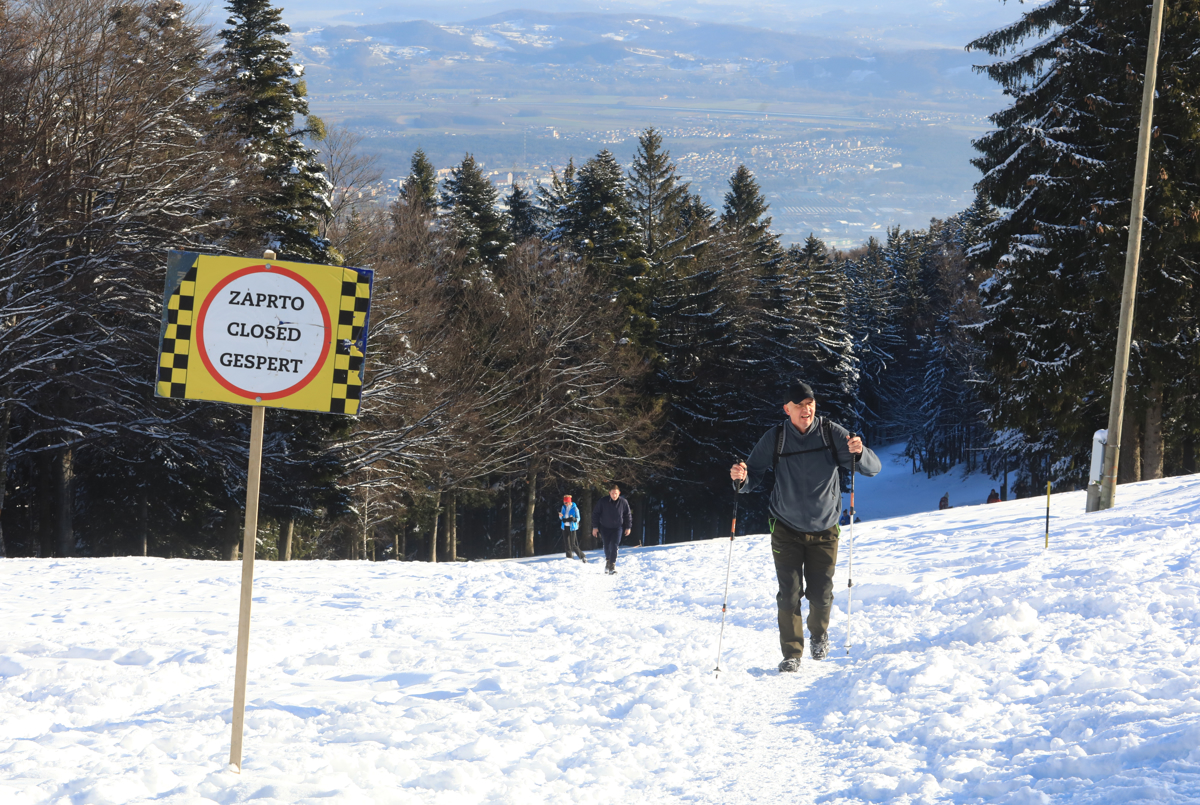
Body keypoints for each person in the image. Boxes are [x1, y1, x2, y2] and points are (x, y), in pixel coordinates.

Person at [729, 381, 881, 673]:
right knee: (789, 593)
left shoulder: (830, 433)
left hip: (825, 528)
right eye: (800, 405)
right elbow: (753, 475)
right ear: (787, 409)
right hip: (785, 528)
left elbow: (872, 469)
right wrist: (741, 477)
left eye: (810, 403)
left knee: (821, 593)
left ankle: (819, 634)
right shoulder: (775, 438)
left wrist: (860, 452)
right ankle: (792, 652)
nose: (807, 409)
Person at [592, 483, 632, 575]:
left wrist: (628, 527)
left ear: (619, 493)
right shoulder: (602, 501)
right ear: (609, 493)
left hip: (617, 527)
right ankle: (608, 561)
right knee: (606, 545)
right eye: (613, 493)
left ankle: (612, 565)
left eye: (616, 493)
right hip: (604, 527)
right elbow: (596, 514)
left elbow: (628, 515)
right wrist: (595, 527)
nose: (614, 495)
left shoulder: (623, 502)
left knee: (614, 545)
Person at [559, 495, 586, 562]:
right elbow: (561, 517)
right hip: (564, 527)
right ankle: (569, 558)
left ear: (569, 502)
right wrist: (561, 517)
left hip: (572, 528)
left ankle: (582, 557)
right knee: (567, 544)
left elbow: (578, 518)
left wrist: (574, 519)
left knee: (573, 544)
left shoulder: (575, 508)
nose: (565, 504)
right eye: (564, 502)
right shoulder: (563, 507)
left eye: (566, 502)